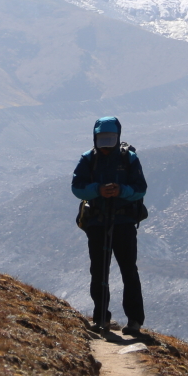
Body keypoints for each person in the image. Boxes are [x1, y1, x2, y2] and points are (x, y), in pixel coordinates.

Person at [72, 115, 146, 336]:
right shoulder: (88, 159)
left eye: (110, 141)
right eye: (102, 141)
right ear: (95, 139)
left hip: (123, 223)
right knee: (99, 271)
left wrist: (121, 191)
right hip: (97, 222)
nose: (105, 147)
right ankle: (101, 318)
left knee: (128, 271)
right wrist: (98, 190)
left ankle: (134, 321)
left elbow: (140, 188)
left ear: (117, 138)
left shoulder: (129, 159)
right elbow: (77, 187)